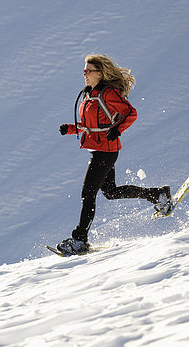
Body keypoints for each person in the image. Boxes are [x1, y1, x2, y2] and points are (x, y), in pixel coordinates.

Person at [56, 54, 171, 256]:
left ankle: (80, 239)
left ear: (100, 73)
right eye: (84, 70)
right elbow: (91, 125)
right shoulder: (89, 94)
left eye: (88, 70)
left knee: (88, 194)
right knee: (110, 192)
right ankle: (158, 194)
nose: (84, 74)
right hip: (98, 150)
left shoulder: (107, 93)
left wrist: (118, 130)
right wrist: (72, 129)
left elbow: (131, 113)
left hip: (106, 152)